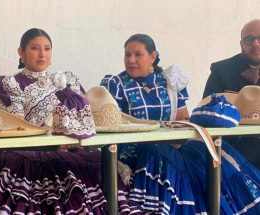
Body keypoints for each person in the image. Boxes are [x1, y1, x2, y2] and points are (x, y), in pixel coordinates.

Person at [101, 34, 260, 214]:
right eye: (127, 54)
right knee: (158, 154)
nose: (131, 60)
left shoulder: (169, 80)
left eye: (138, 54)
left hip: (170, 148)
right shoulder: (116, 84)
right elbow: (113, 122)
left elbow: (183, 118)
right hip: (136, 151)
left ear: (153, 56)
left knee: (209, 155)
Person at [0, 28, 111, 214]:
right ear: (21, 52)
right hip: (28, 150)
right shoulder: (11, 85)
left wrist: (71, 140)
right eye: (35, 48)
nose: (42, 54)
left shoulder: (67, 81)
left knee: (98, 159)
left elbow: (83, 120)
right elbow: (12, 128)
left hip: (70, 148)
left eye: (47, 48)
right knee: (42, 165)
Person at [203, 19, 260, 168]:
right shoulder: (222, 70)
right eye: (249, 39)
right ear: (242, 44)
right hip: (234, 151)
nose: (255, 43)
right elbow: (207, 111)